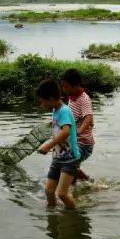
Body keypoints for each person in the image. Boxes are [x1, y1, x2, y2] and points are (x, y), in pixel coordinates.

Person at [36, 79, 81, 208]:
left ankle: (75, 215)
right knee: (49, 191)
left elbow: (66, 132)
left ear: (50, 98)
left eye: (42, 101)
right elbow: (58, 132)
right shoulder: (55, 110)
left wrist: (48, 146)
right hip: (58, 158)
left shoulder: (64, 111)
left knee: (62, 194)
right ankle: (52, 216)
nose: (41, 104)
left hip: (70, 159)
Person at [61, 69, 95, 181]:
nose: (64, 90)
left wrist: (79, 131)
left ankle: (86, 181)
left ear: (76, 85)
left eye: (66, 87)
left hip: (84, 143)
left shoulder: (84, 99)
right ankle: (84, 184)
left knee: (67, 163)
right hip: (74, 141)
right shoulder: (72, 97)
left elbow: (88, 117)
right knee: (67, 165)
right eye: (63, 86)